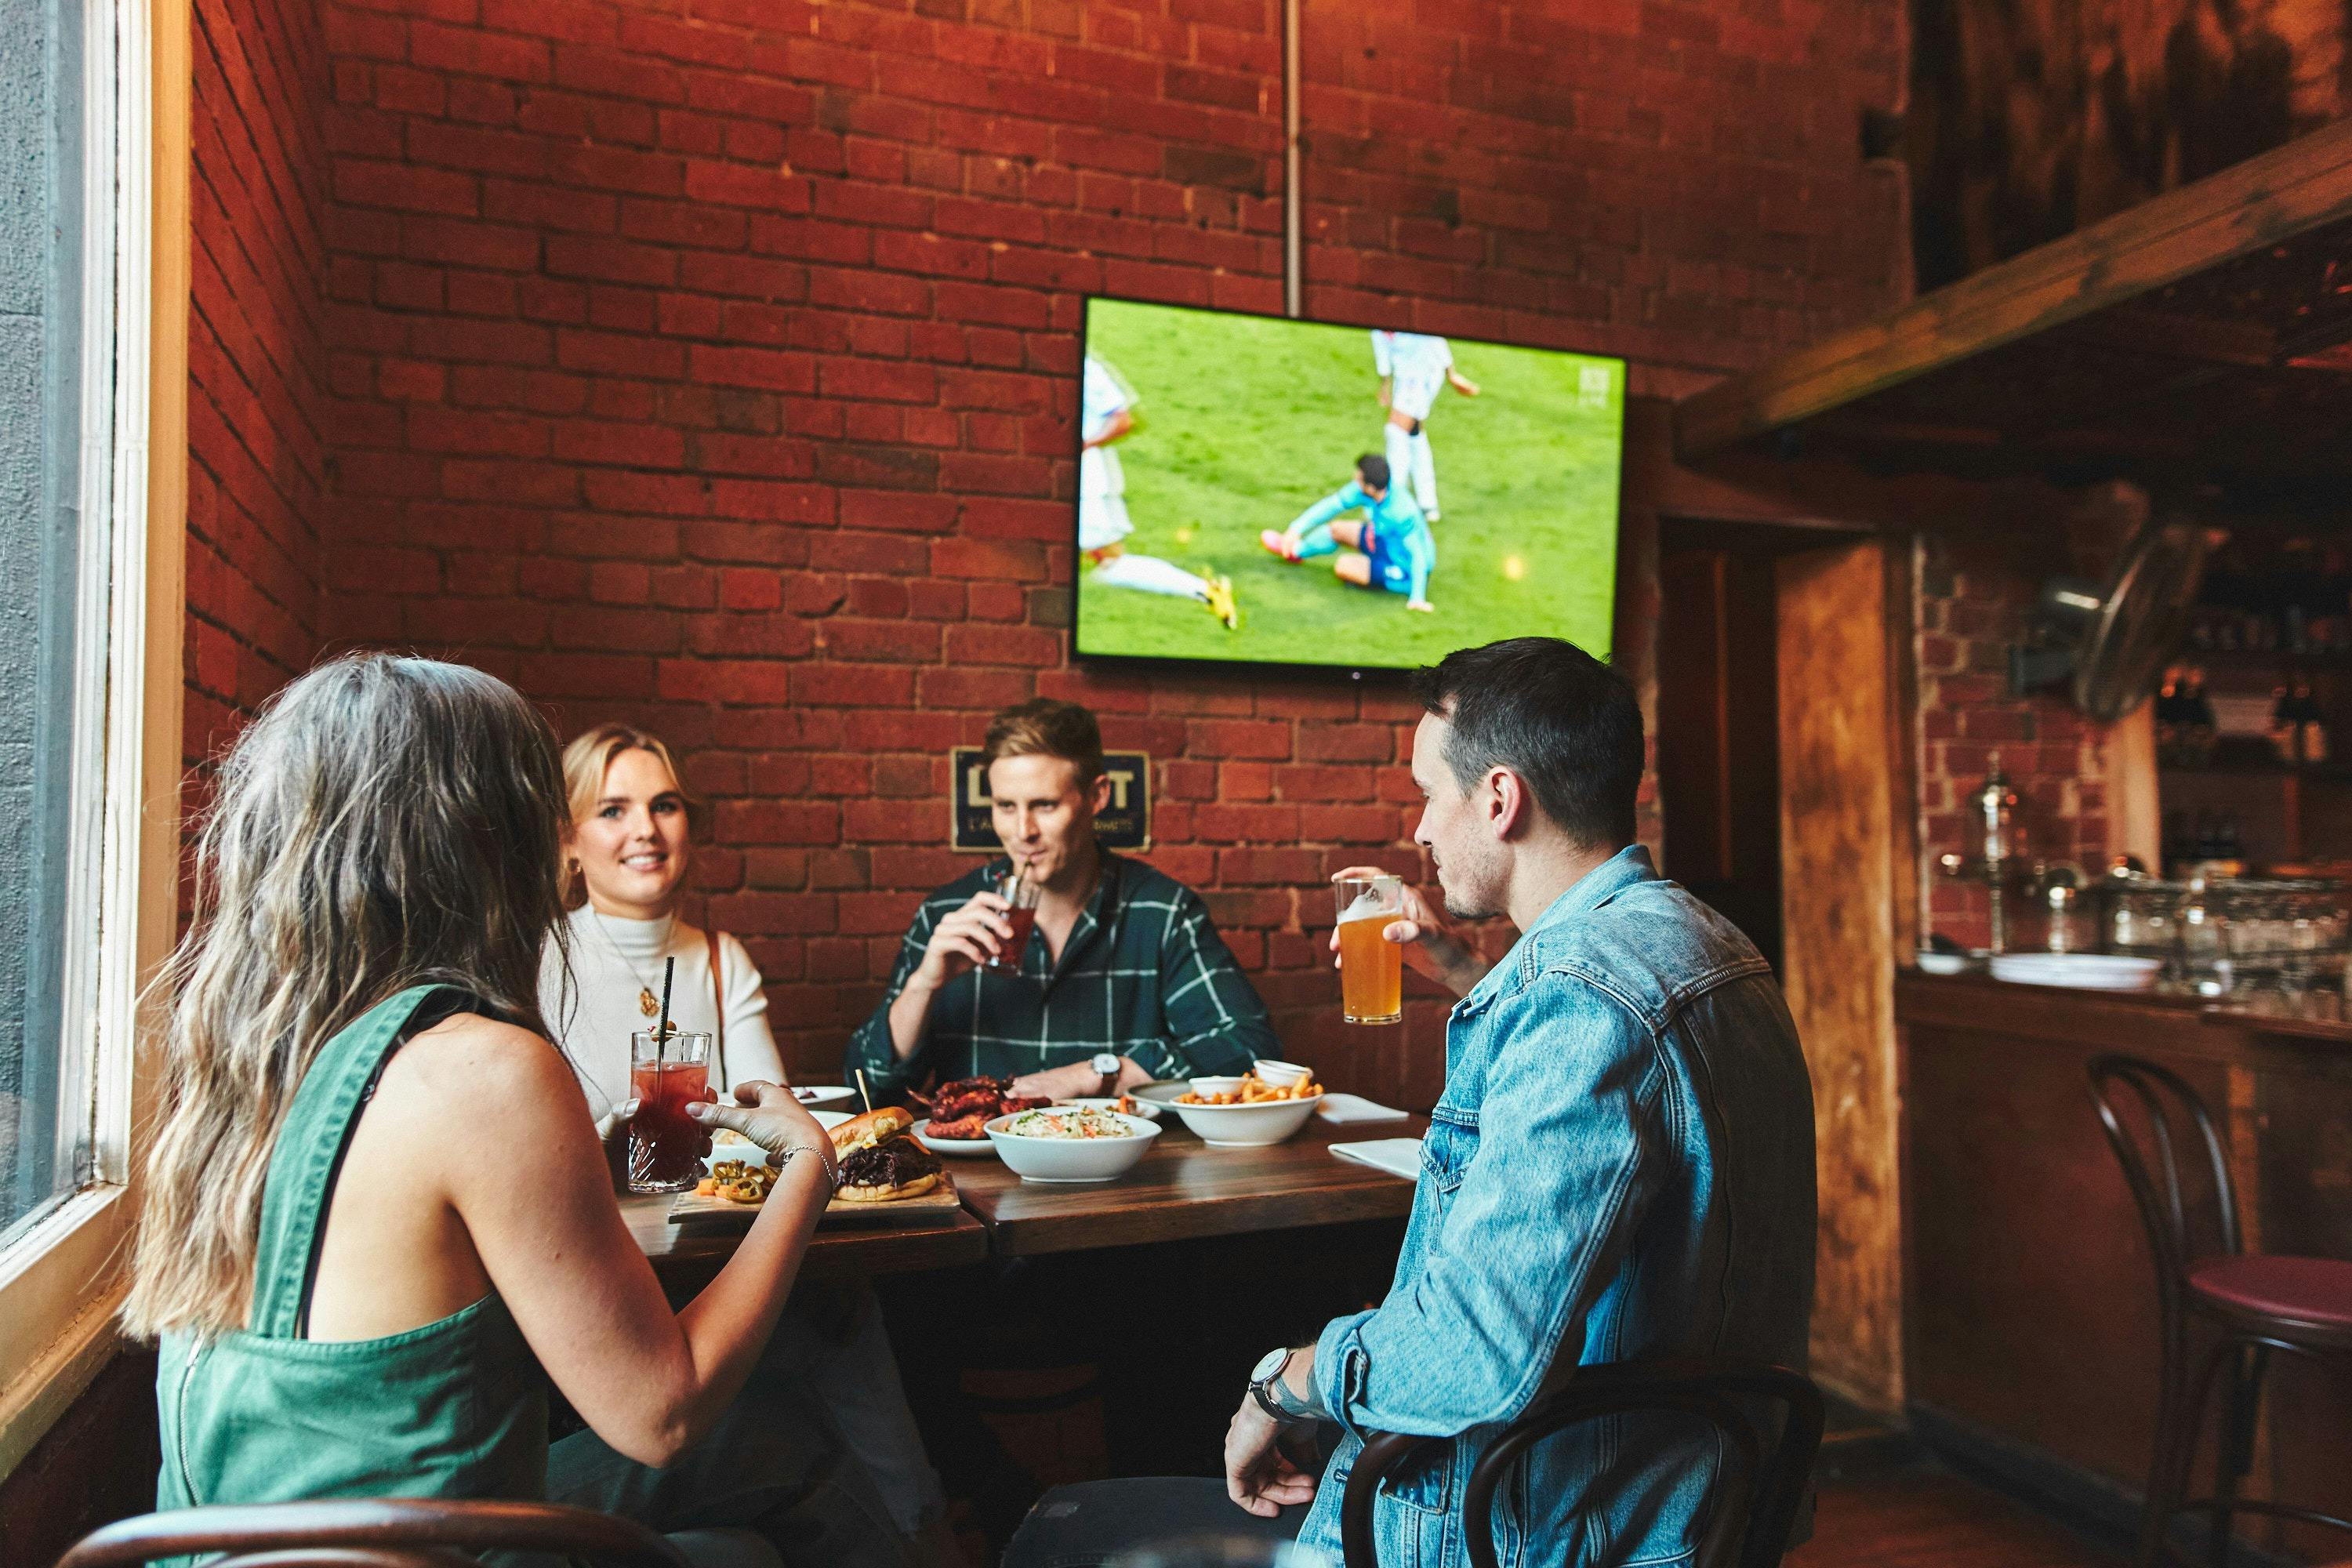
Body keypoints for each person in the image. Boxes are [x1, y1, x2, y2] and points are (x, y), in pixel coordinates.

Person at [1002, 637, 1817, 1568]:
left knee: (1059, 1537)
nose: (1423, 830)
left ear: (1500, 799)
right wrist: (1469, 971)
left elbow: (1477, 1349)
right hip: (1700, 1510)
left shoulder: (1580, 996)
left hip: (1538, 1530)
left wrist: (1287, 1379)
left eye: (1431, 793)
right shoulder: (1712, 946)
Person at [126, 655, 916, 1568]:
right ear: (481, 839)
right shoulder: (485, 1068)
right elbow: (663, 1411)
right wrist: (810, 1165)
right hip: (434, 1547)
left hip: (239, 1545)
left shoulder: (248, 1054)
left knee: (766, 1453)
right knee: (769, 1468)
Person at [541, 722, 952, 1560]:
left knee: (841, 1303)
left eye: (664, 805)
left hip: (714, 1255)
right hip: (593, 1285)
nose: (645, 829)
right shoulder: (538, 960)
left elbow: (774, 1126)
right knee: (832, 1319)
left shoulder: (722, 960)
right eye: (613, 810)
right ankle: (917, 1535)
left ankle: (915, 1530)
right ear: (570, 840)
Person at [846, 697, 1277, 1102]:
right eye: (1006, 806)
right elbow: (867, 1093)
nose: (1023, 832)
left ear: (1097, 797)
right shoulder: (946, 914)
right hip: (983, 1157)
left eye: (1045, 806)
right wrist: (923, 986)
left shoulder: (1163, 913)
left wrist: (1098, 1073)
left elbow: (1248, 1052)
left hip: (1123, 1156)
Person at [1079, 352, 1239, 630]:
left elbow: (1123, 420)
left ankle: (1205, 591)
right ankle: (1205, 591)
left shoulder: (1087, 369)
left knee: (1106, 563)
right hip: (1076, 479)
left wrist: (1083, 445)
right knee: (1101, 562)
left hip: (1087, 485)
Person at [1259, 452, 1439, 613]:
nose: (1355, 479)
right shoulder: (1369, 491)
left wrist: (1417, 598)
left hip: (1404, 565)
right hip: (1383, 540)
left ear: (1370, 487)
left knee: (1344, 566)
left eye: (1359, 478)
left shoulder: (1403, 512)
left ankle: (1402, 584)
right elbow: (1331, 506)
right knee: (1337, 529)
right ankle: (1293, 551)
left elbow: (1418, 554)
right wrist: (1295, 530)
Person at [1371, 329, 1479, 523]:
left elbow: (1434, 335)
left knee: (1396, 432)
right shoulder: (1376, 322)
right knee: (1413, 434)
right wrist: (1385, 384)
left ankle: (1393, 503)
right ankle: (1428, 504)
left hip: (1426, 373)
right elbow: (1381, 347)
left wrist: (1451, 373)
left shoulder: (1408, 316)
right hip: (1404, 377)